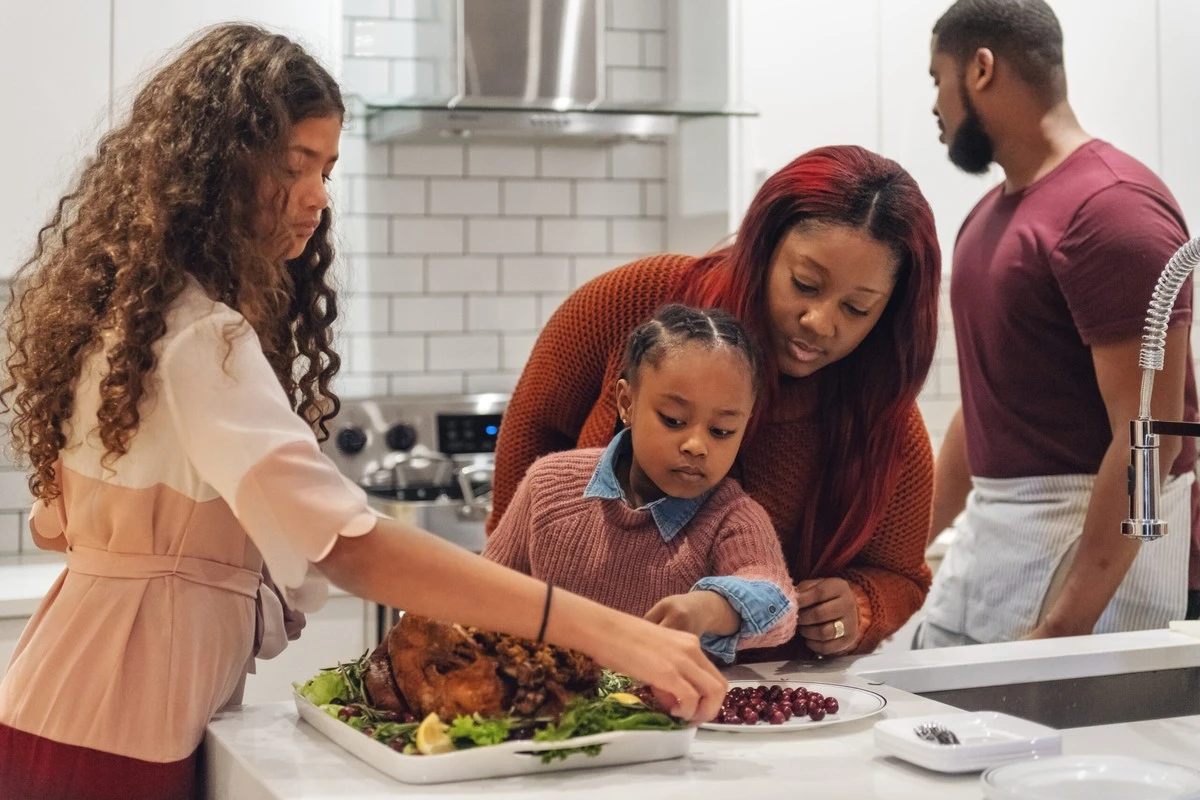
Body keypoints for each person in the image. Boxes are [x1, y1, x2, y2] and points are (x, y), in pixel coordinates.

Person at [0, 24, 724, 800]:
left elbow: (96, 532)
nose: (317, 196)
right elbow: (354, 548)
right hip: (117, 727)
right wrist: (612, 631)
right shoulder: (200, 338)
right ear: (215, 169)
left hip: (74, 701)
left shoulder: (149, 318)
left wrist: (237, 586)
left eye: (327, 169)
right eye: (293, 167)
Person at [489, 145, 943, 661]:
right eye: (804, 284)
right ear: (764, 249)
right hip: (571, 667)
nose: (819, 322)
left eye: (856, 308)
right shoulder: (636, 300)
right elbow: (533, 430)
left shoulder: (882, 421)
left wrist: (860, 607)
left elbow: (900, 576)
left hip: (759, 696)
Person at [922, 0, 1200, 648]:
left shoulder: (1112, 212)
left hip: (1084, 557)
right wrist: (901, 547)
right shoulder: (988, 217)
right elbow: (986, 407)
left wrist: (1062, 629)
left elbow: (1148, 443)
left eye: (937, 78)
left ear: (981, 68)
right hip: (995, 545)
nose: (934, 104)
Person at [485, 304, 798, 663]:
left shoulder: (731, 517)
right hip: (552, 710)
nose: (696, 445)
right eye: (674, 420)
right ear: (626, 402)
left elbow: (777, 602)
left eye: (722, 431)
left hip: (671, 716)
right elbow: (485, 591)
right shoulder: (548, 486)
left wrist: (711, 607)